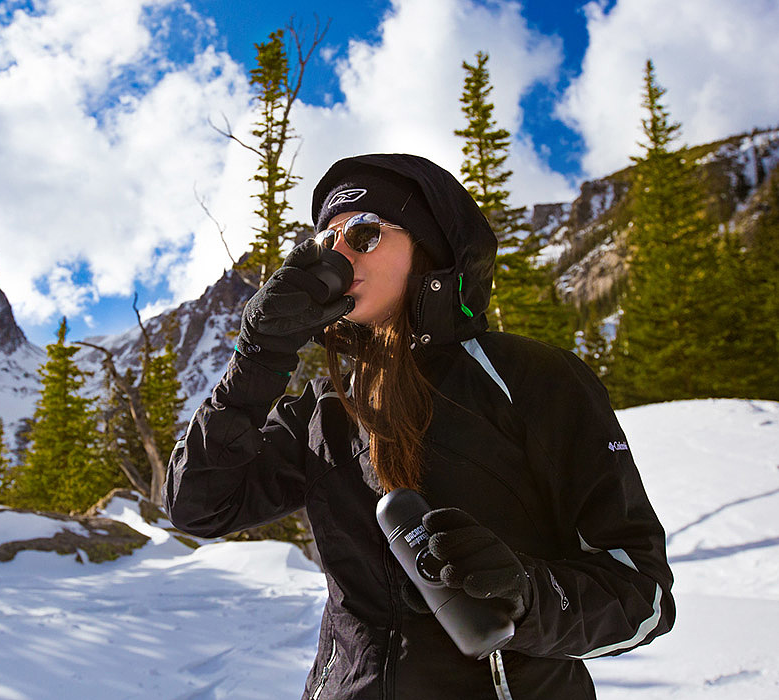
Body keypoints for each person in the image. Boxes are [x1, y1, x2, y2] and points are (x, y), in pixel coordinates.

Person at [164, 153, 675, 699]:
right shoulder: (326, 411)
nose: (337, 253)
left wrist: (526, 592)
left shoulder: (531, 379)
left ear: (428, 251)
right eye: (322, 242)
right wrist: (257, 361)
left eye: (362, 234)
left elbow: (642, 594)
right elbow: (197, 505)